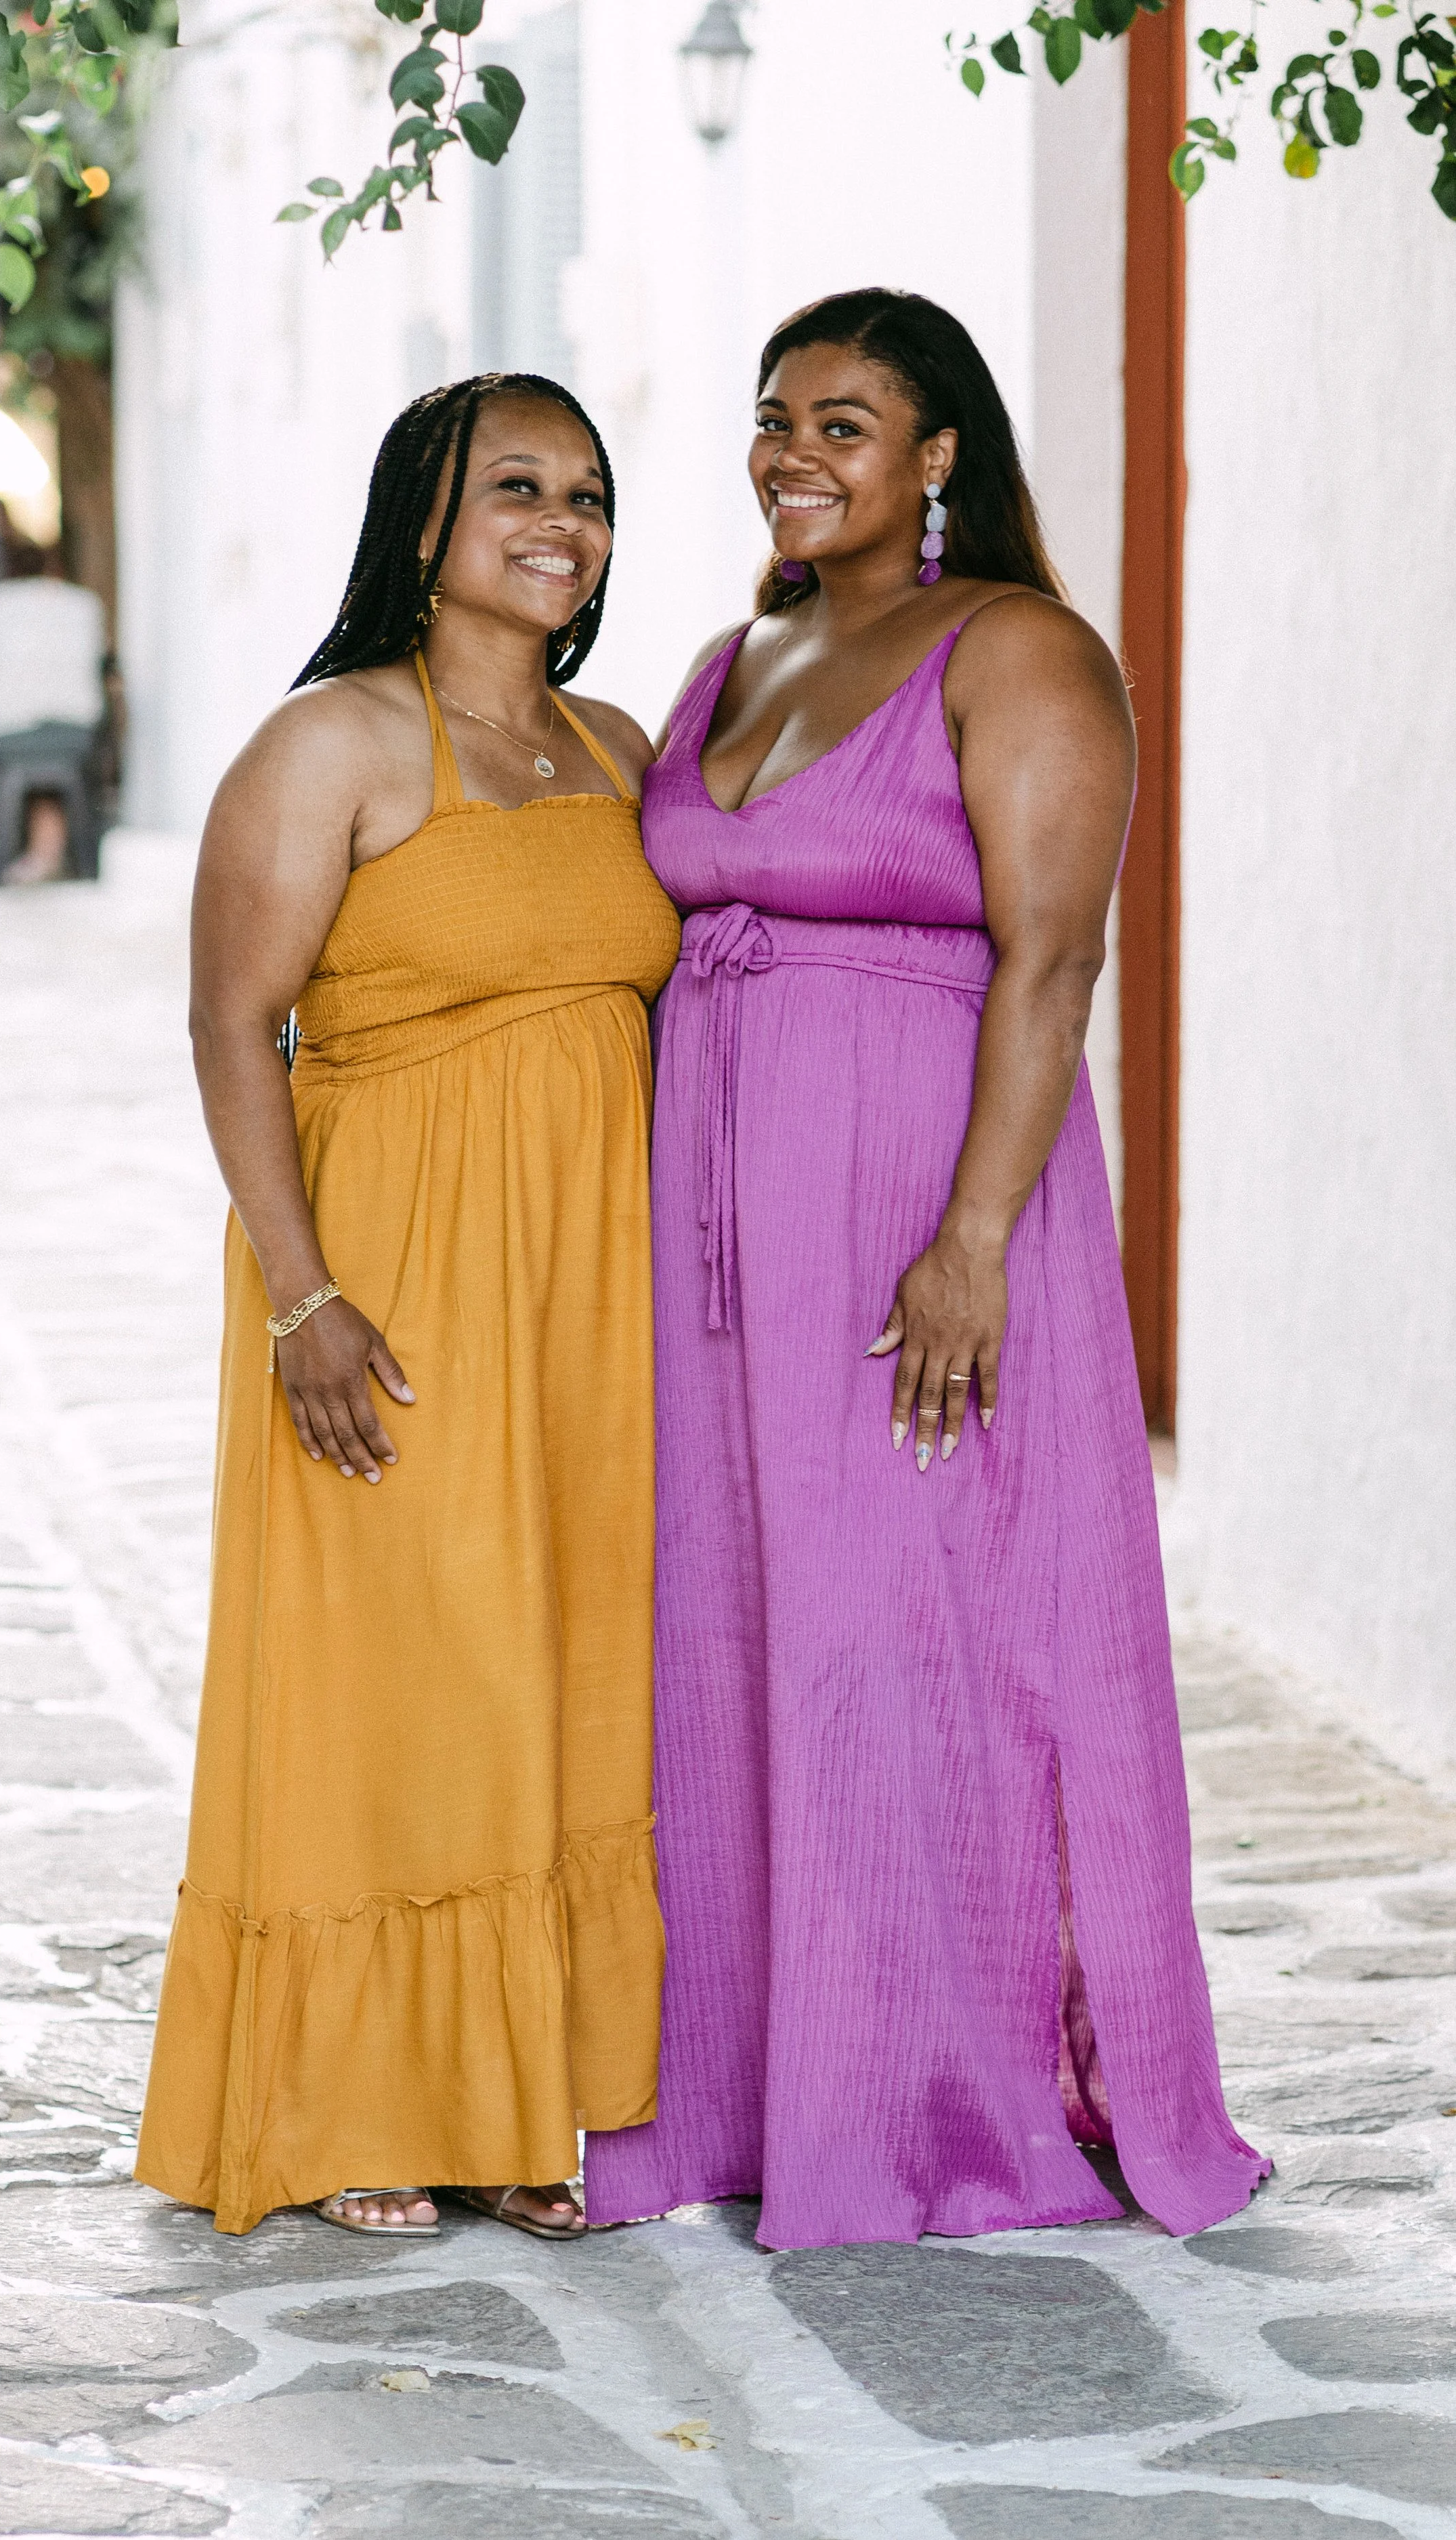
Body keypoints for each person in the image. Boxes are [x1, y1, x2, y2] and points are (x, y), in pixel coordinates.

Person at [586, 289, 1267, 2250]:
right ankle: (738, 2093)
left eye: (845, 421)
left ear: (938, 452)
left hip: (915, 1213)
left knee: (909, 1630)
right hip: (716, 1231)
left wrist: (971, 1238)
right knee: (729, 1639)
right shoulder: (740, 650)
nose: (794, 450)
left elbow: (1053, 963)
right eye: (772, 414)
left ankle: (923, 2094)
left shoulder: (1021, 647)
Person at [135, 375, 681, 2240]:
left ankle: (518, 2097)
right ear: (424, 522)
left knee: (561, 1674)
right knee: (404, 1674)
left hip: (588, 1300)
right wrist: (304, 1298)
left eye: (589, 493)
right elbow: (231, 1020)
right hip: (391, 1276)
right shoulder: (333, 742)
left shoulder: (616, 743)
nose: (561, 520)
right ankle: (362, 2093)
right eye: (515, 485)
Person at [0, 541, 108, 883]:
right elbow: (101, 657)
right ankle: (50, 856)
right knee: (56, 773)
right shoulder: (85, 604)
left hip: (10, 736)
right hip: (76, 734)